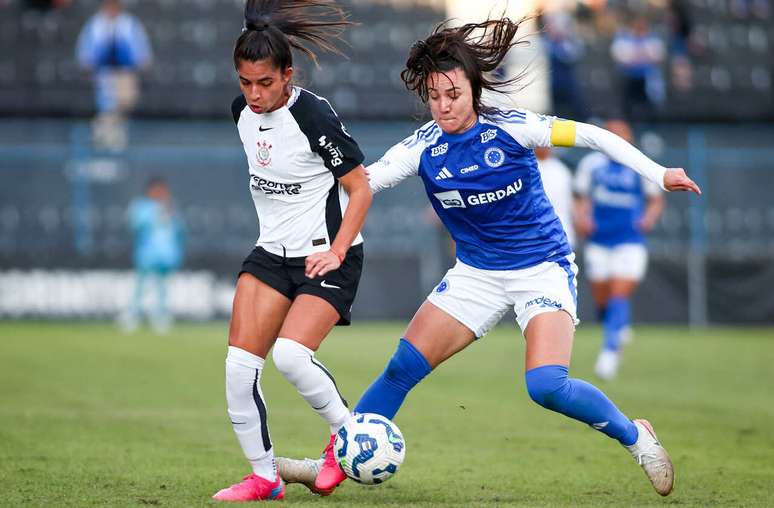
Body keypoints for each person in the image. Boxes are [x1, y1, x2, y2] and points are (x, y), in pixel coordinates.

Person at [280, 17, 701, 498]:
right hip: (476, 275)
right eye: (434, 96)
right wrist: (301, 199)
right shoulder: (424, 147)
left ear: (474, 90)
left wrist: (658, 173)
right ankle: (332, 465)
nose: (443, 105)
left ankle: (635, 436)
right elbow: (361, 185)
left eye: (453, 94)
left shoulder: (514, 127)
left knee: (546, 385)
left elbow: (593, 137)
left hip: (542, 268)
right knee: (401, 368)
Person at [211, 0, 372, 502]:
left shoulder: (313, 115)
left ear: (287, 75)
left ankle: (348, 441)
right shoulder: (241, 113)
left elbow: (360, 189)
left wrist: (338, 251)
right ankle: (265, 478)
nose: (254, 94)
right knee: (239, 370)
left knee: (291, 356)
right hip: (271, 255)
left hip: (328, 255)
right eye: (245, 82)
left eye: (265, 82)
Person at [573, 119, 665, 380]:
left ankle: (610, 352)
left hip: (629, 241)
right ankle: (618, 326)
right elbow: (580, 197)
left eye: (622, 135)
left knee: (619, 294)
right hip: (599, 240)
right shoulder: (591, 165)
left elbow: (656, 200)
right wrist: (582, 218)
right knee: (603, 299)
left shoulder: (638, 163)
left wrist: (648, 219)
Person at [75, 0, 152, 150]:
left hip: (125, 70)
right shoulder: (95, 24)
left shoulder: (129, 23)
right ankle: (103, 136)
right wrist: (86, 60)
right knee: (107, 103)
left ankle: (113, 133)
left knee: (125, 102)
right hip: (104, 70)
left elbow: (139, 43)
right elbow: (86, 45)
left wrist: (143, 58)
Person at [119, 178, 185, 334]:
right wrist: (154, 214)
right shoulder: (141, 206)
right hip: (147, 255)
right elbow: (134, 225)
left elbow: (179, 231)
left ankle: (160, 316)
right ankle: (133, 315)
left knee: (162, 287)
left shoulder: (171, 206)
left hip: (166, 256)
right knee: (141, 286)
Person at [535, 146, 576, 248]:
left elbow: (569, 203)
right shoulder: (527, 167)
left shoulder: (562, 170)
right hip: (535, 234)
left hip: (562, 231)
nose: (544, 147)